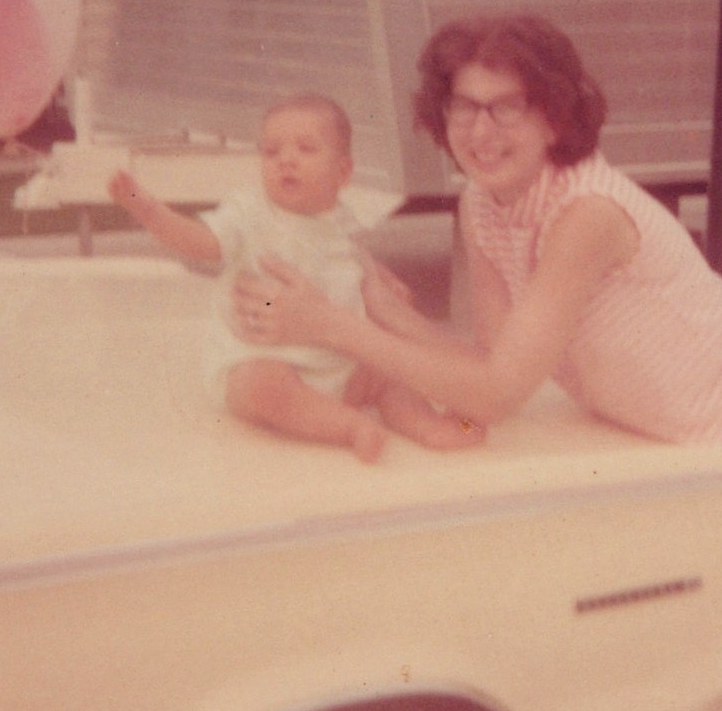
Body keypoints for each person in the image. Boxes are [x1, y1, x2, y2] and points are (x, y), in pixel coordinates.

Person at [232, 15, 722, 711]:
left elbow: (496, 391)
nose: (480, 130)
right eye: (463, 107)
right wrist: (388, 317)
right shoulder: (485, 206)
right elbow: (497, 362)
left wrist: (335, 327)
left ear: (554, 116)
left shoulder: (585, 216)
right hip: (688, 470)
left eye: (507, 108)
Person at [108, 92, 482, 463]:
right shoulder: (250, 213)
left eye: (306, 149)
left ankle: (429, 426)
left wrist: (382, 281)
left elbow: (350, 261)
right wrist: (149, 210)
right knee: (258, 386)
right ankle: (349, 427)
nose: (286, 160)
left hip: (341, 361)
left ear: (342, 173)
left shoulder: (340, 218)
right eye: (272, 152)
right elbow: (202, 243)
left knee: (391, 374)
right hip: (270, 359)